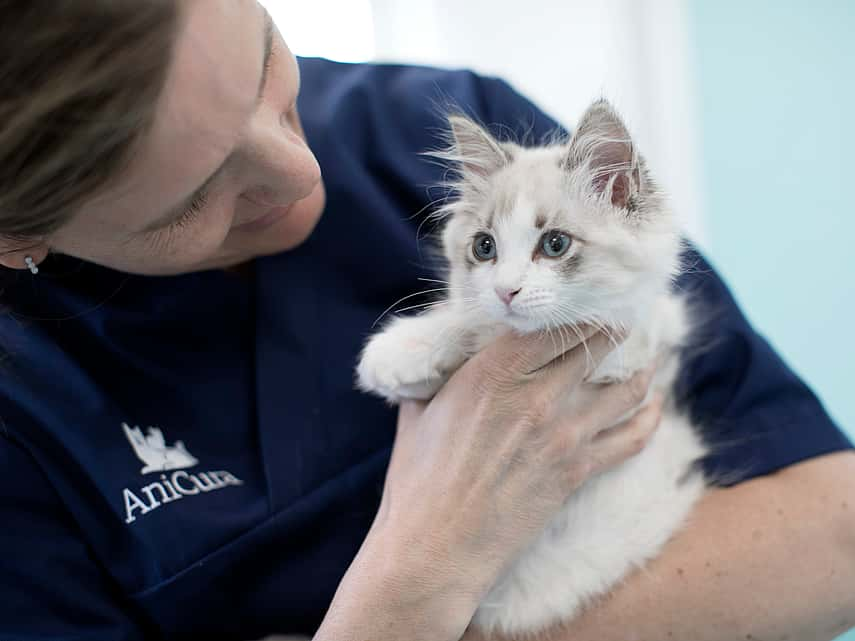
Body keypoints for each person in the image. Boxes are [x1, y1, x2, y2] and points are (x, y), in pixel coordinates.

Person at [0, 2, 852, 641]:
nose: (299, 171)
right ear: (17, 238)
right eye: (194, 194)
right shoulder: (22, 411)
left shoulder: (424, 122)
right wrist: (419, 575)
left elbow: (835, 528)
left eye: (266, 61)